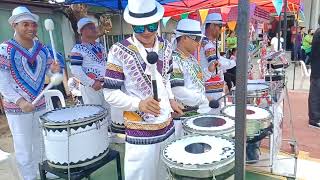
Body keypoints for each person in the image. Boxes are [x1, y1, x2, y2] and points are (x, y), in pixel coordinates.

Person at [103, 0, 183, 179]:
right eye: (140, 27)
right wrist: (138, 104)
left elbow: (167, 78)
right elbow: (109, 93)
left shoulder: (166, 46)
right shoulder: (118, 50)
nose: (147, 31)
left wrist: (170, 99)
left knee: (166, 173)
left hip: (167, 125)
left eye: (152, 25)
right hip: (140, 131)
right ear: (132, 24)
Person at [0, 6, 60, 180]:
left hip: (40, 104)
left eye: (33, 24)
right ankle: (29, 177)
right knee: (24, 147)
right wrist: (20, 101)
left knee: (41, 142)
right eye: (25, 24)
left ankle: (45, 173)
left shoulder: (42, 48)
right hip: (16, 108)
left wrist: (54, 70)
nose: (31, 28)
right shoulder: (5, 49)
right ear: (14, 26)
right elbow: (2, 81)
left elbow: (49, 75)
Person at [170, 19, 211, 137]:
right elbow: (177, 90)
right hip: (183, 121)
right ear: (184, 38)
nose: (198, 43)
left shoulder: (191, 58)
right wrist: (202, 99)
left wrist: (209, 71)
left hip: (197, 116)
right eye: (196, 39)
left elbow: (197, 81)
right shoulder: (174, 60)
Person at [69, 17, 107, 108]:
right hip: (90, 88)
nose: (94, 29)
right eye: (91, 27)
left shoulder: (100, 46)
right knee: (95, 113)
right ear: (82, 31)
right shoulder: (77, 49)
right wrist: (92, 83)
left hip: (105, 85)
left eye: (94, 27)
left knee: (109, 114)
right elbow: (75, 70)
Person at [200, 13, 236, 101]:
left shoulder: (209, 43)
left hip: (213, 89)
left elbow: (218, 59)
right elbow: (217, 64)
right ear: (212, 26)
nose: (221, 30)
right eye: (219, 27)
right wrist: (234, 62)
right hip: (212, 92)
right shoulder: (208, 45)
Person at [308, 16, 320, 128]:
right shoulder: (319, 33)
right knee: (315, 94)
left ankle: (316, 117)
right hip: (317, 70)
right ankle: (314, 119)